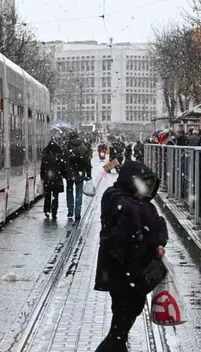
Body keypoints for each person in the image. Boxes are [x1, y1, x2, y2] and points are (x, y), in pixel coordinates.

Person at [94, 161, 168, 352]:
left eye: (151, 188)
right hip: (121, 271)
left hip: (136, 273)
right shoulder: (116, 198)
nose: (148, 191)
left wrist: (159, 242)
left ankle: (116, 346)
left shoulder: (142, 204)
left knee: (128, 314)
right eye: (145, 186)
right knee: (121, 317)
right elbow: (125, 229)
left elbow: (159, 225)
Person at [64, 132, 91, 220]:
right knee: (79, 193)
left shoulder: (66, 147)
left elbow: (62, 161)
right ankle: (78, 212)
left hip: (69, 174)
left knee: (69, 192)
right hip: (80, 173)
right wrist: (88, 174)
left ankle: (70, 210)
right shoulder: (83, 147)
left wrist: (63, 172)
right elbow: (88, 162)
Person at [40, 140, 66, 220]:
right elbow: (62, 167)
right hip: (57, 179)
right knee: (55, 196)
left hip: (48, 179)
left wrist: (43, 177)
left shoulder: (45, 156)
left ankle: (47, 210)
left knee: (47, 195)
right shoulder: (59, 156)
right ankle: (54, 212)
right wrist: (62, 174)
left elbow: (42, 168)